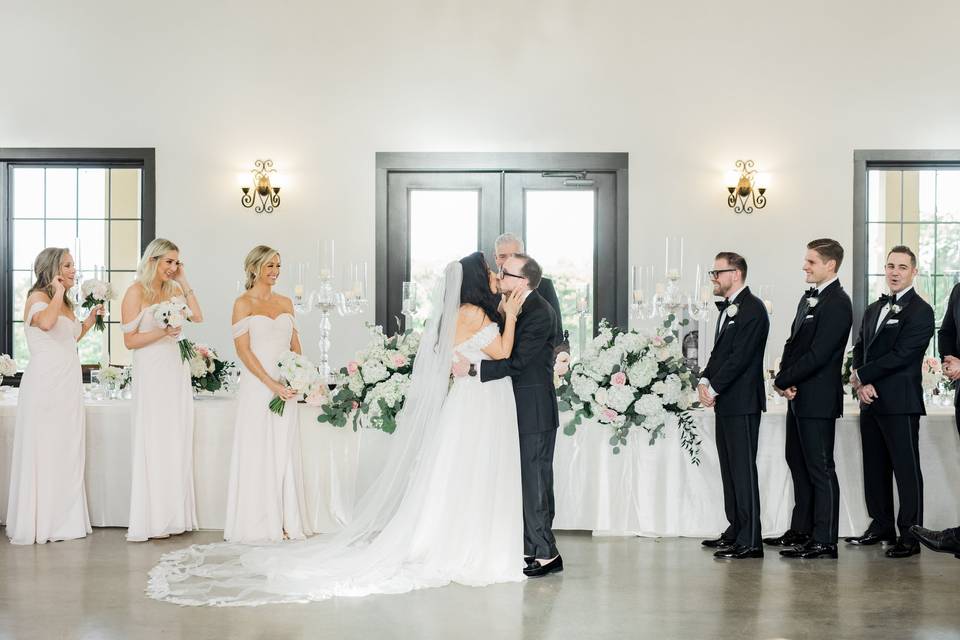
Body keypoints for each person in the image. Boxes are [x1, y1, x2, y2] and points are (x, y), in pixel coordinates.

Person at [147, 252, 525, 606]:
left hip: (469, 401)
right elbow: (505, 353)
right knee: (475, 470)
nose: (496, 276)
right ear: (479, 279)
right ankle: (472, 542)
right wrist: (511, 313)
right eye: (491, 272)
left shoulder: (456, 314)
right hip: (480, 401)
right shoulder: (476, 313)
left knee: (459, 471)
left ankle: (449, 537)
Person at [465, 253, 563, 577]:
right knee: (529, 481)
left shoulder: (539, 313)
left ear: (523, 282)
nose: (499, 276)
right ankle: (532, 547)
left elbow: (517, 362)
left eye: (505, 273)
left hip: (534, 409)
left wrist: (472, 368)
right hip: (519, 408)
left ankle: (546, 553)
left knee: (535, 482)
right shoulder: (514, 308)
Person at [6, 247, 102, 544]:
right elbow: (47, 324)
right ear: (53, 270)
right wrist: (59, 292)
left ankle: (64, 519)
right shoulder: (38, 298)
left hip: (68, 384)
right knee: (45, 447)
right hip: (45, 384)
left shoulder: (65, 303)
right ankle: (42, 522)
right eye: (68, 265)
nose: (74, 270)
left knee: (66, 448)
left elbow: (70, 337)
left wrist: (89, 318)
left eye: (73, 265)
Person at [766, 239, 852, 560]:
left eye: (811, 262)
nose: (805, 266)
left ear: (830, 265)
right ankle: (802, 530)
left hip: (818, 398)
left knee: (820, 468)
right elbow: (793, 343)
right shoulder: (810, 298)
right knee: (798, 463)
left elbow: (819, 355)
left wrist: (784, 379)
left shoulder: (839, 303)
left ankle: (825, 539)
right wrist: (784, 380)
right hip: (798, 395)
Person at [847, 245, 934, 558]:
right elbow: (859, 348)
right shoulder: (873, 309)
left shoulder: (922, 311)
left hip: (900, 402)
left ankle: (910, 536)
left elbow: (903, 356)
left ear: (913, 271)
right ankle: (880, 525)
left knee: (905, 470)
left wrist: (864, 376)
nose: (894, 272)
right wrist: (861, 380)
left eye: (901, 267)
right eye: (890, 266)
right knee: (874, 467)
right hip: (870, 401)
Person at [223, 246, 312, 542]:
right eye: (269, 266)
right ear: (253, 268)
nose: (275, 271)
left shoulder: (286, 302)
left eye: (278, 265)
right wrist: (270, 383)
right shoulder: (242, 303)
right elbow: (243, 350)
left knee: (283, 449)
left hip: (287, 387)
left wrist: (300, 376)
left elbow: (295, 344)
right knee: (259, 448)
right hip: (257, 387)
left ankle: (287, 520)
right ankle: (260, 522)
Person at [122, 238, 202, 541]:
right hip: (152, 368)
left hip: (174, 368)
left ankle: (174, 516)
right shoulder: (134, 292)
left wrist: (184, 281)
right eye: (169, 262)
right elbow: (130, 342)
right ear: (152, 260)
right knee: (153, 436)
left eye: (176, 262)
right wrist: (162, 332)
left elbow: (198, 316)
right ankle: (151, 517)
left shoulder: (174, 290)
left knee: (174, 435)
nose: (173, 267)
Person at [698, 252, 770, 559]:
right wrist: (703, 380)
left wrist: (714, 387)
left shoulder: (753, 309)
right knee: (729, 470)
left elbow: (740, 358)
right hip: (727, 402)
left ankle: (751, 539)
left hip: (742, 402)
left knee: (743, 470)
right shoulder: (728, 310)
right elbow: (720, 353)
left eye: (718, 272)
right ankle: (736, 528)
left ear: (736, 273)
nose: (714, 278)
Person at [493, 233, 562, 346]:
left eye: (515, 256)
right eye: (502, 256)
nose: (508, 261)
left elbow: (557, 336)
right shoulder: (486, 289)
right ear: (495, 258)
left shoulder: (544, 286)